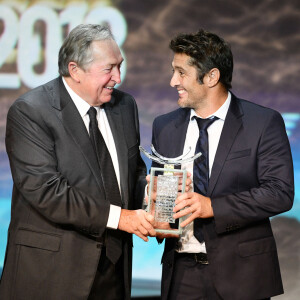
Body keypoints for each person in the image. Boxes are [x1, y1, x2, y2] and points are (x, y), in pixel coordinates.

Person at [0, 24, 156, 300]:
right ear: (75, 70)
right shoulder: (31, 112)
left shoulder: (125, 106)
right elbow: (48, 191)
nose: (118, 77)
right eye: (109, 69)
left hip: (114, 272)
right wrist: (121, 218)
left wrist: (150, 194)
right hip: (52, 274)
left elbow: (132, 173)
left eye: (120, 66)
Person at [151, 29, 294, 300]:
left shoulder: (262, 122)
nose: (173, 81)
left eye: (181, 73)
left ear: (211, 76)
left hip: (243, 275)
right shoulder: (165, 126)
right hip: (181, 276)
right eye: (173, 71)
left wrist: (211, 207)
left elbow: (279, 193)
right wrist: (157, 206)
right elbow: (162, 202)